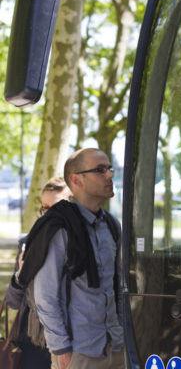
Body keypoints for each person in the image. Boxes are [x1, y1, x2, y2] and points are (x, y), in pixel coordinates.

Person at [32, 148, 124, 369]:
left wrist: (123, 333)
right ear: (76, 179)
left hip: (116, 348)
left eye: (109, 168)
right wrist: (62, 350)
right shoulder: (59, 227)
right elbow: (45, 297)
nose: (110, 175)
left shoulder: (112, 225)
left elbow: (118, 288)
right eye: (100, 170)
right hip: (78, 353)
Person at [6, 176, 72, 369]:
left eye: (55, 208)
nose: (48, 215)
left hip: (69, 339)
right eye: (44, 208)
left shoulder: (80, 245)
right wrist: (20, 275)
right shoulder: (27, 243)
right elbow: (12, 301)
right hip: (32, 341)